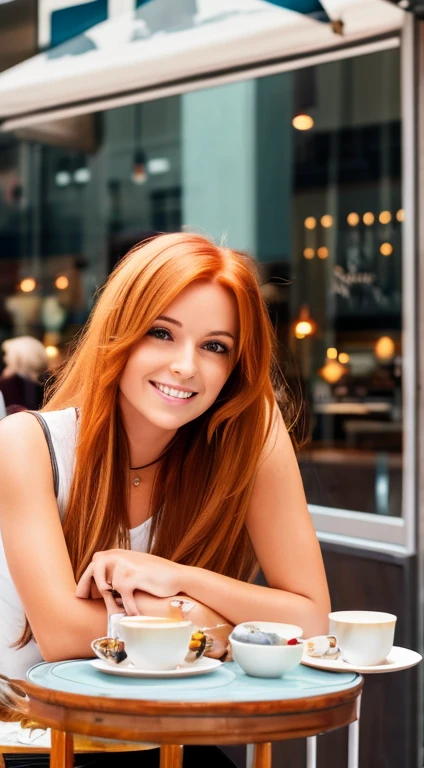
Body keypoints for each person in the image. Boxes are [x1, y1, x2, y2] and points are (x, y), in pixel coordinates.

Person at [0, 232, 330, 766]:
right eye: (161, 333)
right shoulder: (27, 443)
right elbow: (61, 634)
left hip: (162, 734)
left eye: (214, 346)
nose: (185, 366)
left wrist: (176, 578)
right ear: (120, 333)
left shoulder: (247, 441)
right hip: (35, 738)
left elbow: (312, 622)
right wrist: (206, 620)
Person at [0, 336, 48, 412]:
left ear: (19, 357)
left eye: (7, 354)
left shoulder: (9, 384)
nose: (5, 358)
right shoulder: (48, 382)